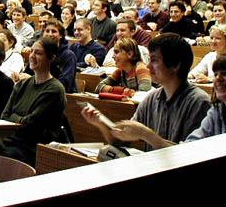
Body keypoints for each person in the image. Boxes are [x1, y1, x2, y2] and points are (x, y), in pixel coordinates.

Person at [81, 33, 210, 151]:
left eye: (154, 60)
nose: (148, 66)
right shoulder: (152, 99)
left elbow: (189, 154)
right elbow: (121, 142)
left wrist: (146, 134)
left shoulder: (199, 102)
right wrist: (101, 123)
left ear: (175, 65)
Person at [0, 36, 68, 182]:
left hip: (33, 147)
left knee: (0, 159)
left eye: (38, 53)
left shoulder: (54, 89)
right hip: (11, 140)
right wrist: (19, 119)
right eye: (31, 51)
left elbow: (31, 125)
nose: (32, 56)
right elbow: (4, 116)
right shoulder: (23, 84)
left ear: (52, 58)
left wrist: (15, 118)